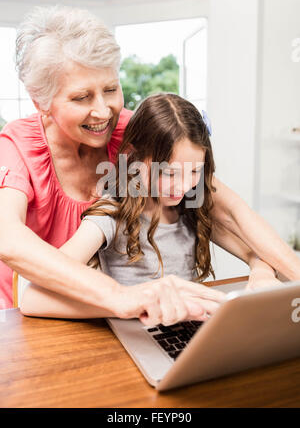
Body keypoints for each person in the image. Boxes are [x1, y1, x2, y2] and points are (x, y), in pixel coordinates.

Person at [0, 5, 299, 319]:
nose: (103, 111)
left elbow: (226, 210)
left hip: (113, 318)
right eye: (81, 97)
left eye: (111, 89)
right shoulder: (18, 146)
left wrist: (266, 267)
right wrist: (123, 296)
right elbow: (8, 240)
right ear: (41, 102)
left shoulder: (135, 136)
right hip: (25, 319)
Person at [19, 94, 295, 325]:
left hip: (189, 329)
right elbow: (32, 298)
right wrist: (133, 302)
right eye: (170, 173)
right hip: (133, 338)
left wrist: (260, 272)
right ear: (135, 159)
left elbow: (257, 251)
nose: (184, 185)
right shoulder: (112, 214)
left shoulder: (190, 208)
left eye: (195, 171)